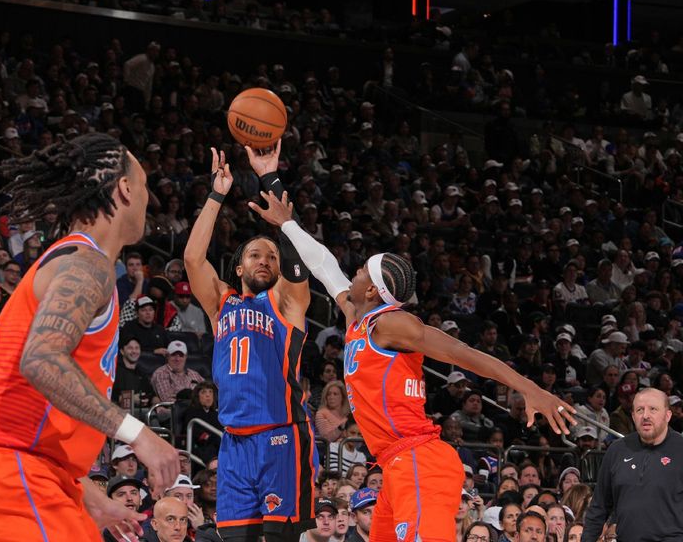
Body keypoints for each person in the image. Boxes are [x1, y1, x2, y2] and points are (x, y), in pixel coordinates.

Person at [249, 190, 575, 542]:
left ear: (372, 291)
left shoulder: (391, 325)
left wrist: (530, 388)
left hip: (420, 461)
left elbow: (462, 351)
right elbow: (326, 267)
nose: (353, 273)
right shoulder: (357, 318)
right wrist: (287, 224)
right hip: (395, 466)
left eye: (360, 271)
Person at [0, 134, 179, 541]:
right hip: (14, 469)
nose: (150, 201)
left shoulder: (78, 263)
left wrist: (90, 496)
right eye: (146, 187)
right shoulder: (86, 263)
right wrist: (138, 433)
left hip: (39, 474)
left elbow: (42, 413)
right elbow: (40, 360)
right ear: (126, 189)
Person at [184, 146, 315, 542]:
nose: (264, 261)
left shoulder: (286, 303)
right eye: (255, 255)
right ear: (239, 267)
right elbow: (193, 258)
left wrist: (275, 196)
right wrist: (216, 195)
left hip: (281, 435)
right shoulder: (220, 303)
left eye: (271, 257)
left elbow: (297, 265)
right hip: (235, 443)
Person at [583, 387, 683, 542]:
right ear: (633, 416)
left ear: (667, 415)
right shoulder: (617, 450)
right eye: (639, 410)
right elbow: (599, 506)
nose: (645, 416)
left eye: (653, 409)